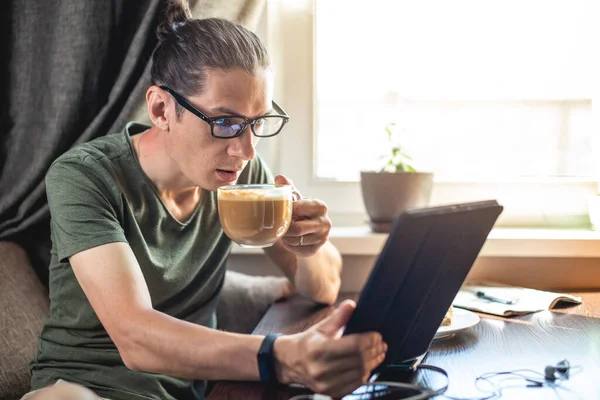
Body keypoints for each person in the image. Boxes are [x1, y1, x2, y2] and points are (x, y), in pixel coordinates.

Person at [25, 1, 387, 399]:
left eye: (257, 123)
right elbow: (135, 336)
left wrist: (308, 245)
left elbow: (324, 287)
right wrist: (281, 356)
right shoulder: (84, 176)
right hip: (85, 387)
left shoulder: (241, 178)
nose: (246, 150)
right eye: (226, 122)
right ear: (162, 109)